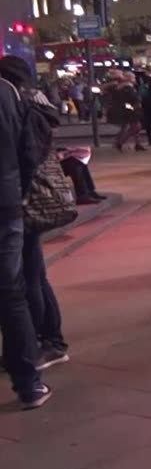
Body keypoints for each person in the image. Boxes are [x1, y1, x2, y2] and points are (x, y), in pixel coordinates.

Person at [0, 60, 70, 370]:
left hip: (25, 196)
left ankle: (47, 343)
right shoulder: (36, 100)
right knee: (33, 273)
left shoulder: (20, 104)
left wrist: (21, 188)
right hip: (30, 194)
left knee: (28, 277)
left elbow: (27, 155)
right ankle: (43, 342)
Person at [0, 56, 52, 408]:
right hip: (5, 202)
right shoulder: (7, 93)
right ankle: (28, 384)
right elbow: (28, 153)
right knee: (11, 292)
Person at [106, 71, 144, 152]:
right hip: (131, 110)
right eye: (133, 78)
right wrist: (136, 104)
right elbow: (133, 98)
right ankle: (120, 142)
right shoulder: (128, 87)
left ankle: (137, 144)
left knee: (131, 127)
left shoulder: (120, 87)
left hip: (126, 109)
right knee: (136, 127)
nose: (134, 79)